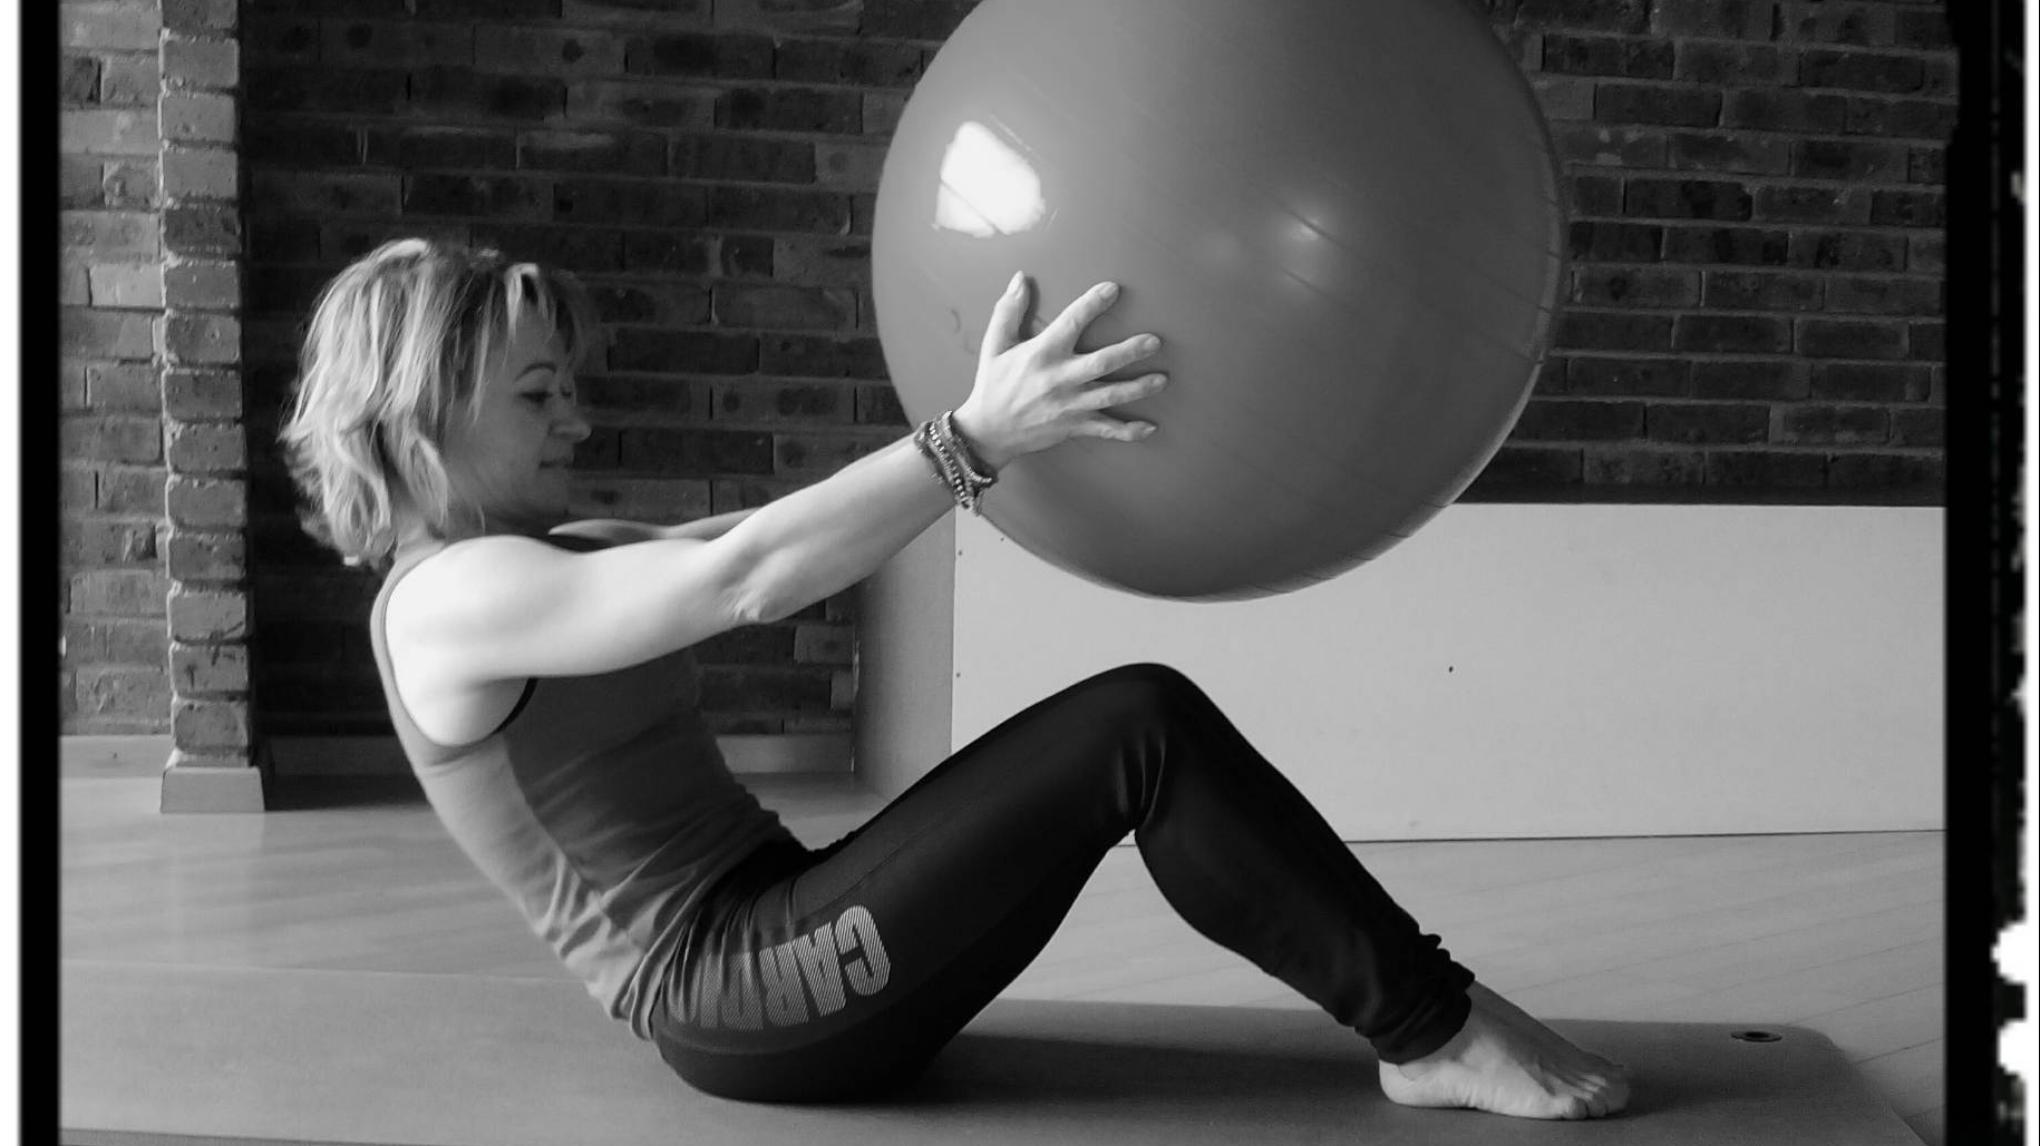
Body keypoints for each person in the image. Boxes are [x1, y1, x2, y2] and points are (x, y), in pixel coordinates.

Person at [280, 237, 1631, 1119]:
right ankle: (1430, 1027)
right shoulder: (449, 602)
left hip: (784, 935)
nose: (575, 416)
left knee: (1137, 723)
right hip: (737, 990)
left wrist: (1003, 437)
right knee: (1140, 726)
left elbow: (754, 535)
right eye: (536, 394)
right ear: (415, 416)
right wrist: (974, 438)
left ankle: (1431, 1016)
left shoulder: (548, 555)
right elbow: (748, 577)